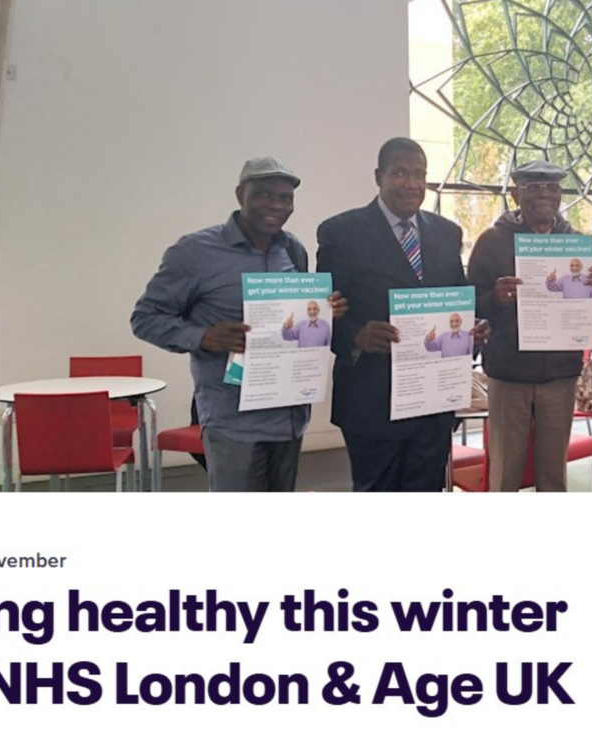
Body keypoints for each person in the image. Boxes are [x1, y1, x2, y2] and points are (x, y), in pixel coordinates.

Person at [131, 156, 346, 492]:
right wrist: (204, 337)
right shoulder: (195, 251)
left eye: (285, 198)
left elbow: (295, 316)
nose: (275, 205)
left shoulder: (292, 250)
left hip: (289, 415)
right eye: (264, 195)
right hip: (232, 419)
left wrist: (325, 309)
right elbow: (145, 318)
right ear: (239, 194)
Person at [316, 137, 487, 492]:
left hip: (433, 399)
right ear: (379, 176)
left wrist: (474, 327)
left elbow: (458, 298)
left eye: (419, 174)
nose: (411, 183)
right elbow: (320, 311)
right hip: (372, 398)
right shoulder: (341, 233)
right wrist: (355, 336)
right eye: (399, 173)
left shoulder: (446, 233)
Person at [467, 160, 592, 492]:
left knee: (553, 474)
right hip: (508, 373)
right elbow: (469, 304)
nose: (543, 194)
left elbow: (591, 309)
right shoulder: (491, 241)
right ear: (516, 193)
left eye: (552, 187)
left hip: (560, 374)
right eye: (533, 188)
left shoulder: (576, 245)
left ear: (561, 194)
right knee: (504, 470)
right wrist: (493, 299)